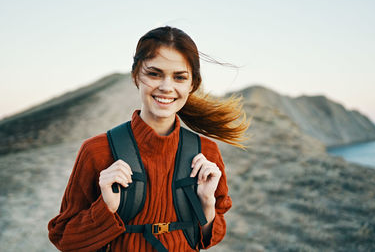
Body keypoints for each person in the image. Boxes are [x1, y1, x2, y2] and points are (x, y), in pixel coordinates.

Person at [48, 26, 249, 252]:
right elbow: (64, 238)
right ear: (136, 76)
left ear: (192, 84)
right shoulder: (96, 150)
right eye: (154, 74)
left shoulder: (206, 152)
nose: (166, 87)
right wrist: (106, 208)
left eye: (179, 77)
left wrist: (207, 204)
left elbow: (210, 238)